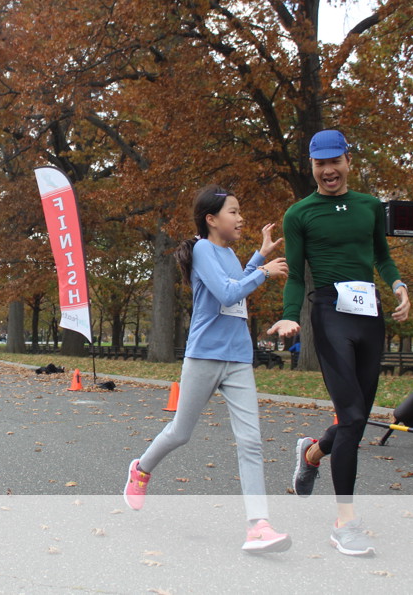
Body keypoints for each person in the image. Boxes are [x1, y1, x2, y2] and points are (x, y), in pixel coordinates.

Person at [123, 185, 292, 554]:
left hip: (238, 358)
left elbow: (237, 283)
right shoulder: (201, 250)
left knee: (251, 441)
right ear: (212, 219)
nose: (241, 218)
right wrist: (263, 271)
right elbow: (228, 293)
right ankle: (141, 469)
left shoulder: (229, 253)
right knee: (180, 432)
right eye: (234, 212)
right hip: (204, 356)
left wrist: (259, 256)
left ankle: (258, 525)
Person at [267, 129, 410, 557]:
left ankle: (312, 454)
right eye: (320, 164)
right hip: (329, 313)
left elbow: (382, 256)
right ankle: (345, 522)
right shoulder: (299, 214)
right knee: (351, 414)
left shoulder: (370, 206)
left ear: (348, 161)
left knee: (357, 419)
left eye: (335, 162)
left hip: (369, 313)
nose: (328, 171)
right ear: (311, 166)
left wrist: (398, 285)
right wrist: (290, 313)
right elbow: (296, 274)